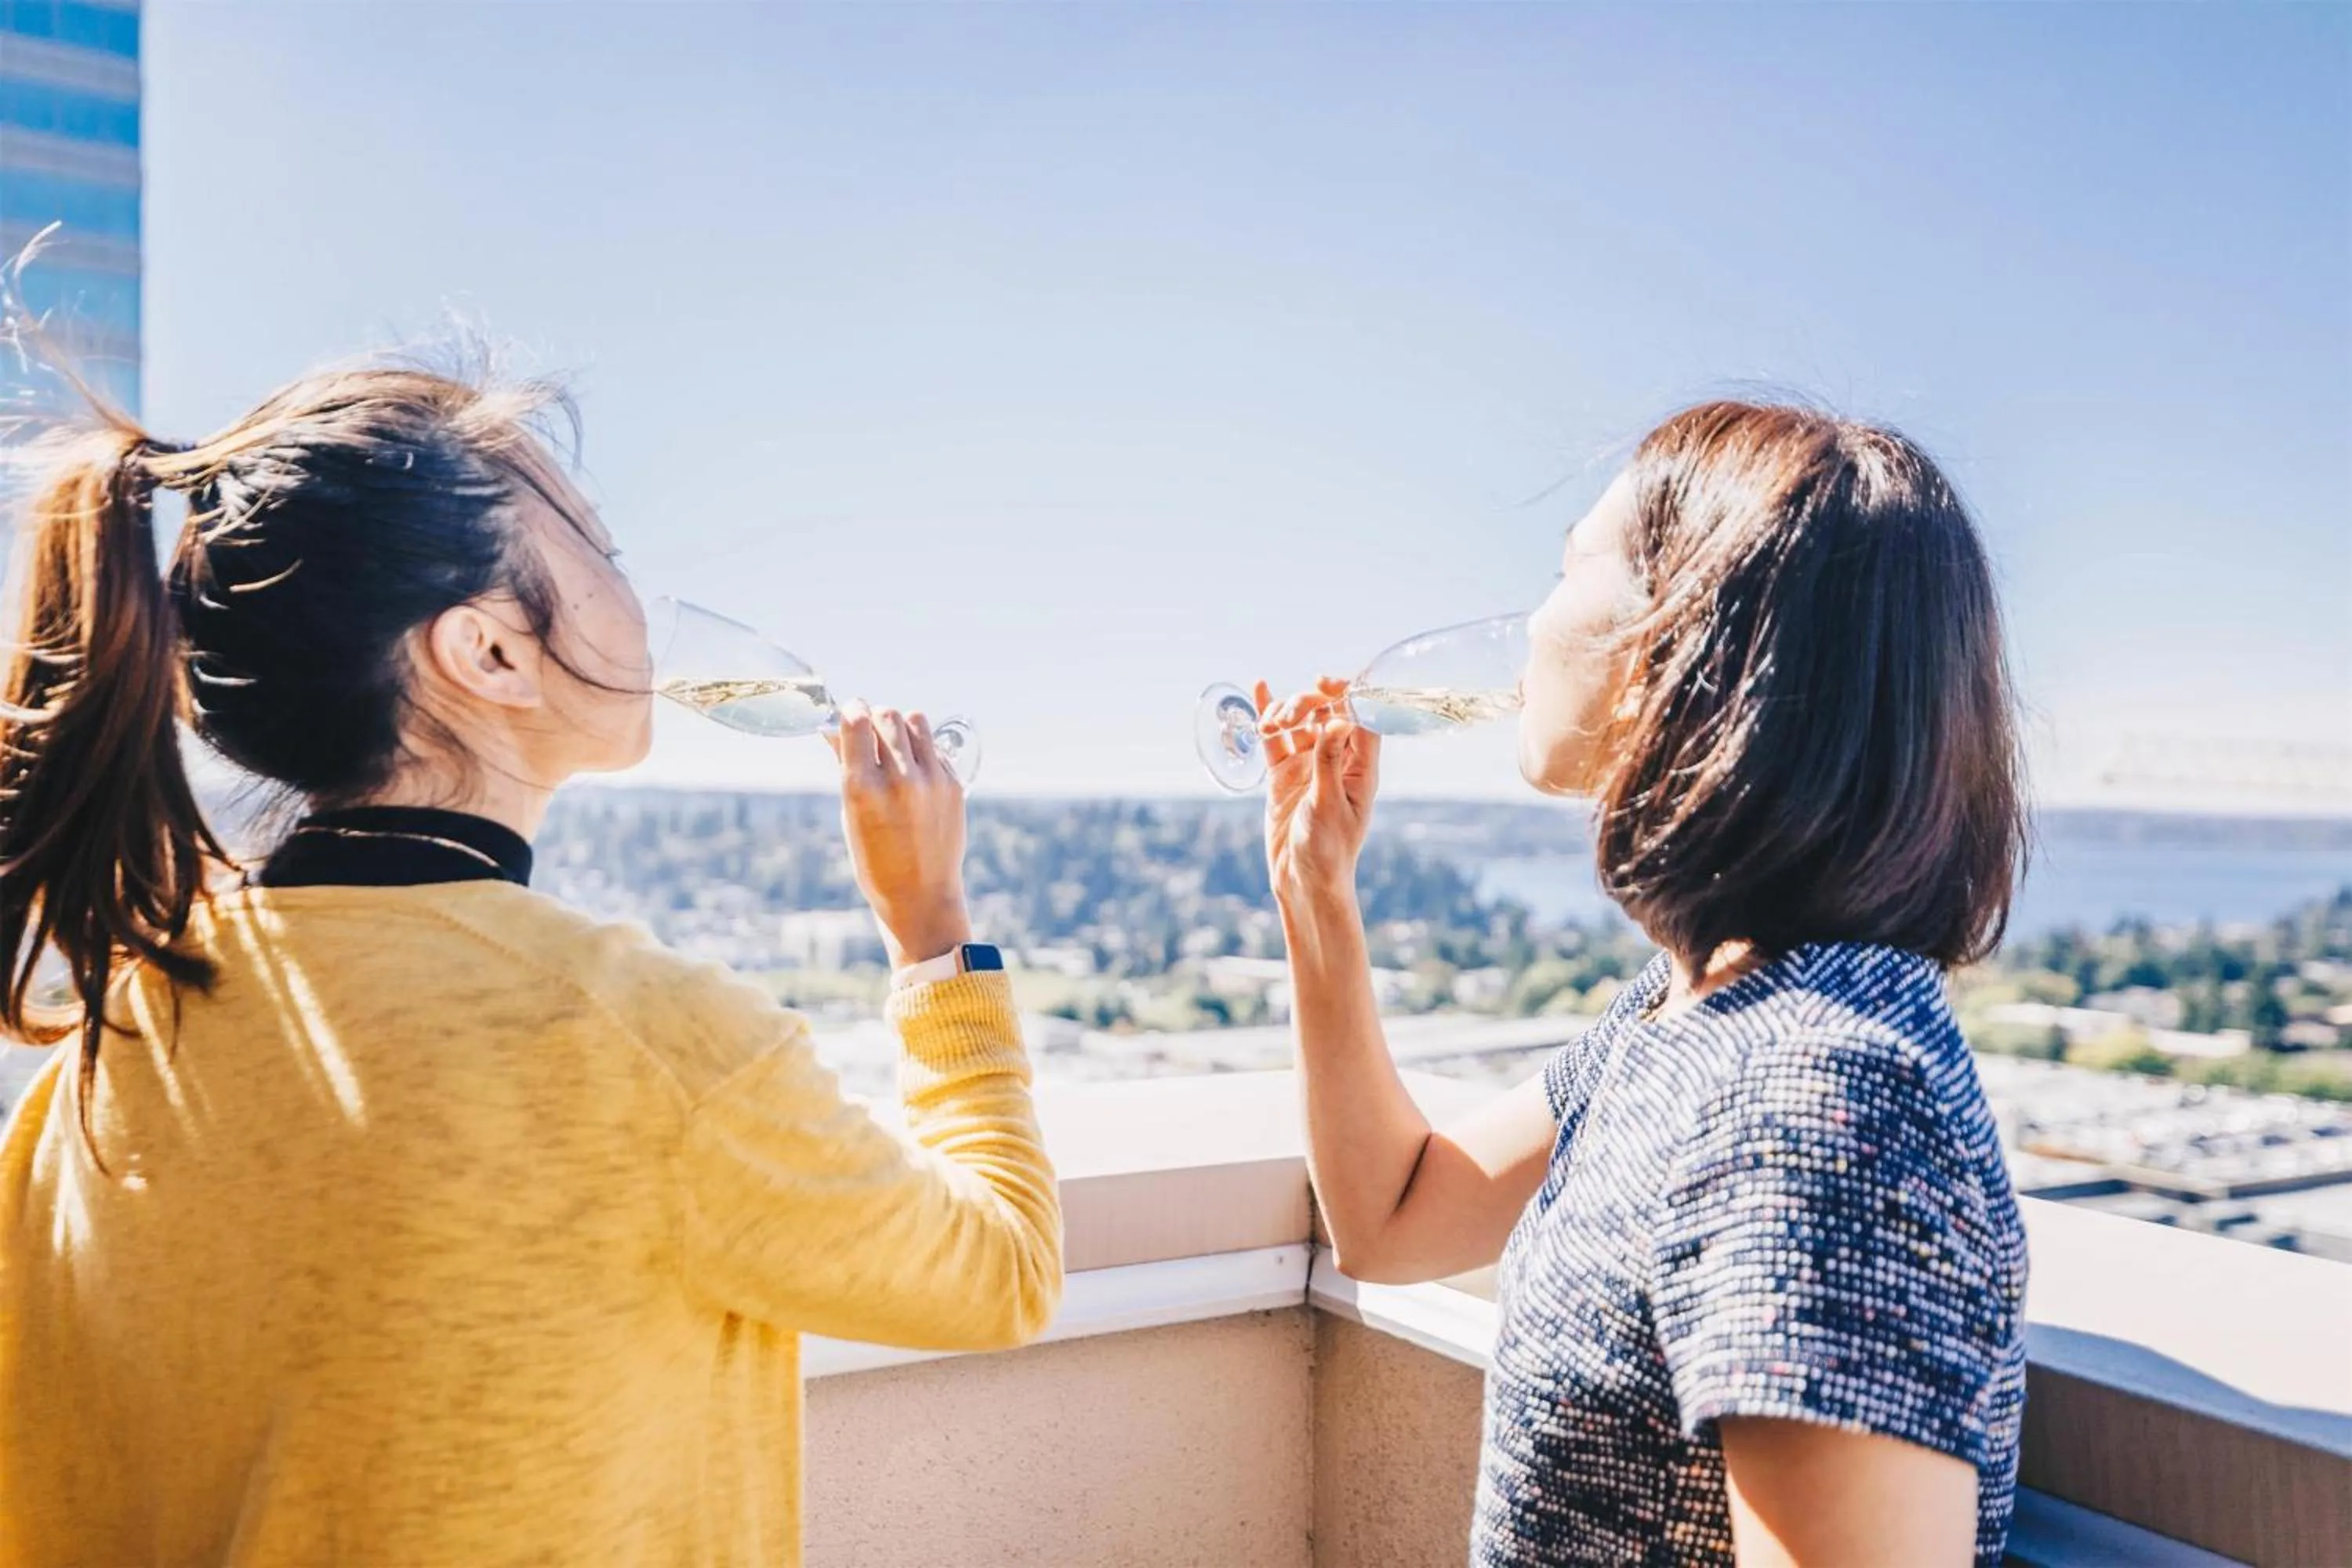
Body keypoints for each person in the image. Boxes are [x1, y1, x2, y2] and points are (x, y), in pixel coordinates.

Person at [0, 363, 1062, 1566]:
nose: (639, 600)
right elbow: (1004, 1274)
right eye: (600, 550)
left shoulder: (116, 1039)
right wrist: (933, 933)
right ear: (490, 655)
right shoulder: (645, 1047)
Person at [1256, 401, 2030, 1568]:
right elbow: (1393, 1215)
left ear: (1682, 645)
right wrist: (1317, 894)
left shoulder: (1817, 1100)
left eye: (1568, 568)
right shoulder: (1688, 1022)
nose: (1527, 627)